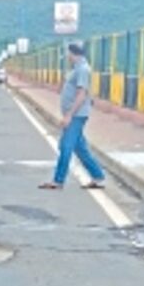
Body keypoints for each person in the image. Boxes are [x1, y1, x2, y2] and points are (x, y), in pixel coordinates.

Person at [39, 42, 106, 190]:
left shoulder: (82, 69)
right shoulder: (77, 69)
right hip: (76, 114)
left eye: (68, 53)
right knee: (80, 148)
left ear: (73, 53)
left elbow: (81, 94)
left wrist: (69, 115)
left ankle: (58, 180)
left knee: (65, 146)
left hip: (77, 115)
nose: (67, 56)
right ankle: (98, 176)